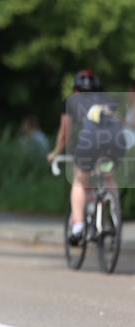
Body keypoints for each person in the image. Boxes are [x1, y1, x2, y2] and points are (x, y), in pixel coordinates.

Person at [47, 70, 125, 244]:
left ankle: (78, 226)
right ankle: (114, 211)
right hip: (114, 145)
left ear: (76, 89)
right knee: (108, 177)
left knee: (80, 181)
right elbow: (120, 125)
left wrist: (55, 153)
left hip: (90, 145)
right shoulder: (108, 100)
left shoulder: (72, 102)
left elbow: (65, 135)